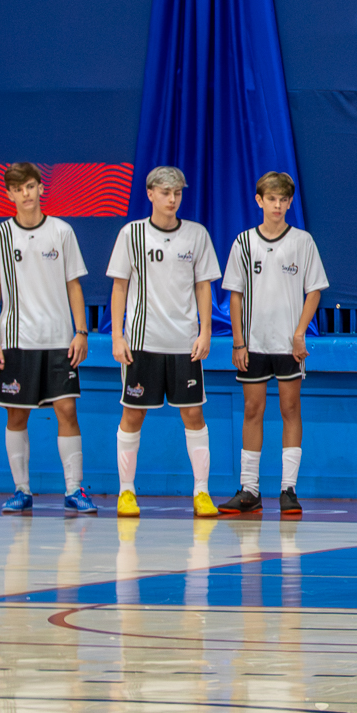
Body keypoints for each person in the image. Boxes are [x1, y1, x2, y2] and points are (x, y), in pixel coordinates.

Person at [0, 163, 93, 513]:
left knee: (67, 410)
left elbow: (74, 285)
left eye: (30, 186)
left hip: (59, 340)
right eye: (18, 188)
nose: (25, 193)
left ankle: (74, 490)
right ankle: (21, 490)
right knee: (16, 416)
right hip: (17, 340)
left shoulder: (61, 231)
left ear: (41, 188)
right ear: (9, 194)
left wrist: (81, 331)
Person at [107, 167, 217, 520]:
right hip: (142, 342)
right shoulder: (132, 234)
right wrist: (117, 336)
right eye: (166, 192)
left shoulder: (197, 234)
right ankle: (126, 492)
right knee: (132, 414)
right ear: (150, 193)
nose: (172, 199)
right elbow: (120, 286)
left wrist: (205, 332)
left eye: (178, 193)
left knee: (194, 414)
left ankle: (201, 492)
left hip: (184, 343)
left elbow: (203, 286)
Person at [219, 171, 329, 515]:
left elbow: (314, 291)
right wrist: (239, 342)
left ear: (290, 202)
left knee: (290, 410)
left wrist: (299, 334)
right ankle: (249, 490)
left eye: (283, 200)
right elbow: (235, 295)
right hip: (253, 344)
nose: (277, 205)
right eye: (271, 199)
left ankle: (288, 490)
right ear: (259, 201)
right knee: (252, 410)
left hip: (288, 345)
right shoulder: (243, 242)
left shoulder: (302, 241)